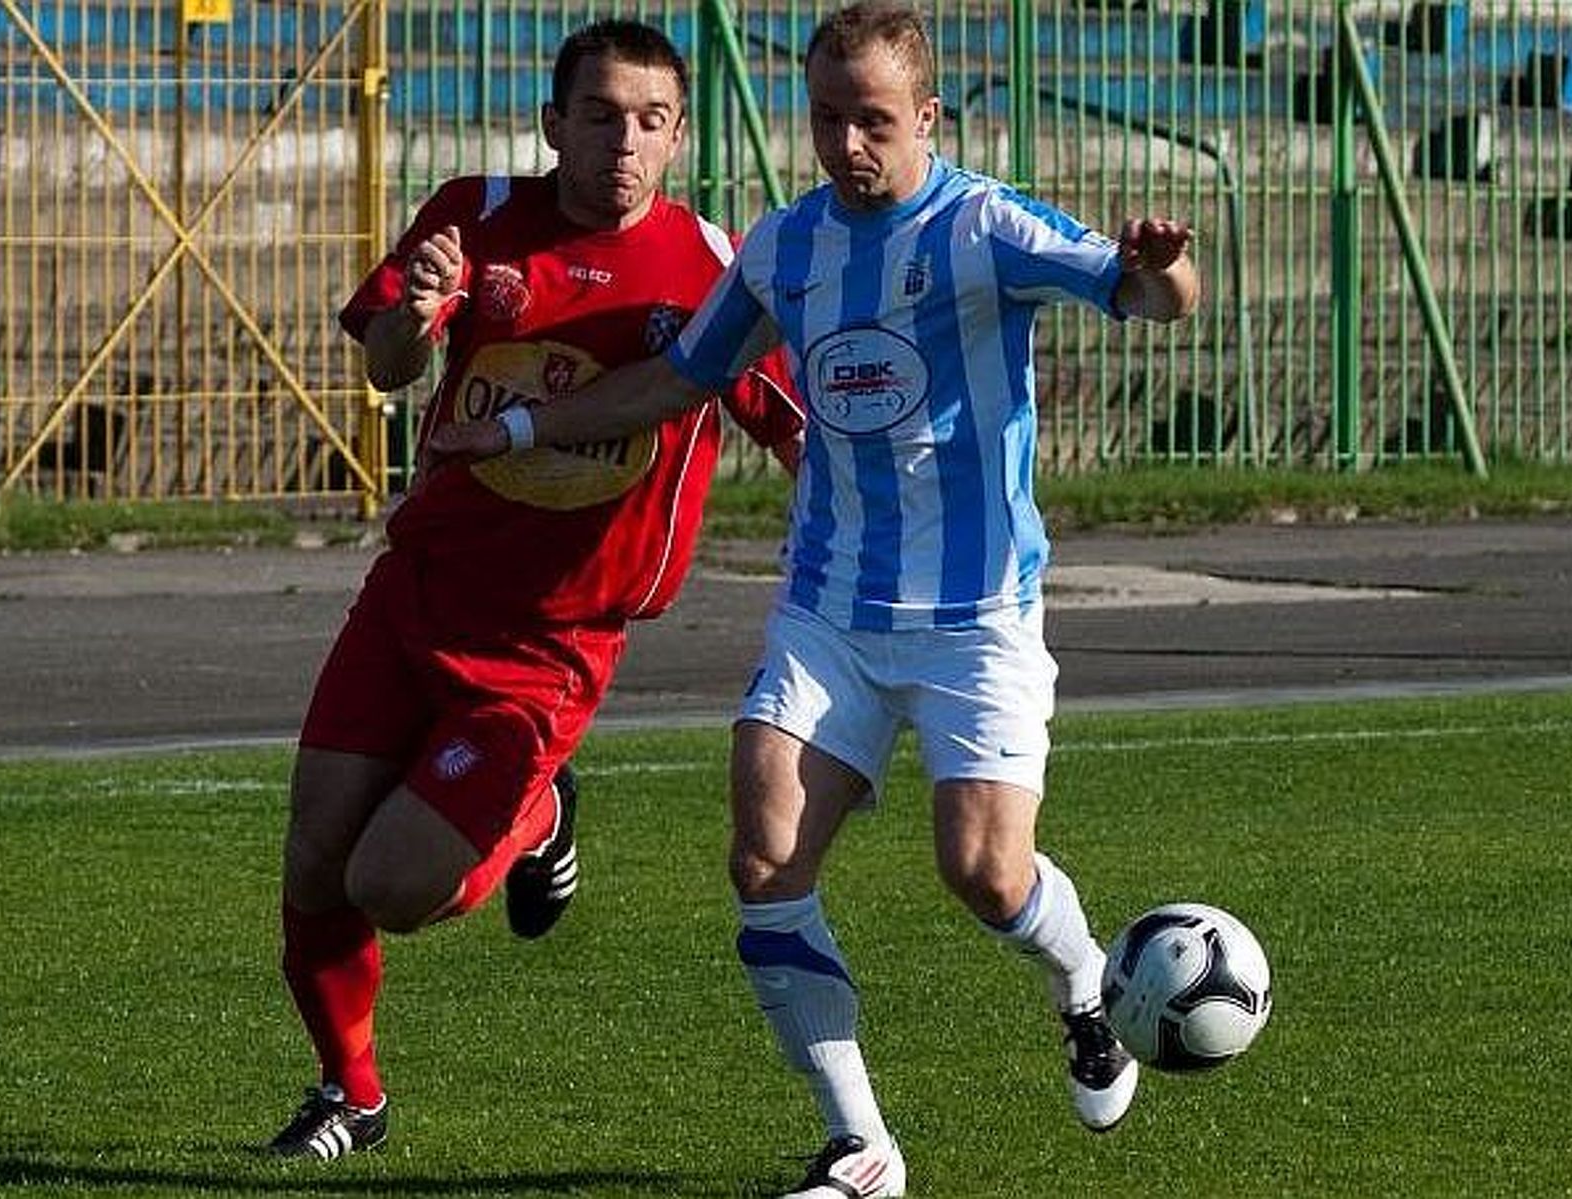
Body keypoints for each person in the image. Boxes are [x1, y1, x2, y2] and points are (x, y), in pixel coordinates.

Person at [431, 4, 1199, 1194]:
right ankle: (863, 1147)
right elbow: (673, 380)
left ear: (926, 119)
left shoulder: (985, 225)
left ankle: (1083, 985)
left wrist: (1159, 266)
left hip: (977, 615)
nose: (849, 144)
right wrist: (519, 424)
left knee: (986, 875)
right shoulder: (784, 248)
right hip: (829, 606)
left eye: (875, 121)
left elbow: (1154, 296)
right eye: (829, 118)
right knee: (764, 858)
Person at [268, 19, 800, 1161]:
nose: (624, 141)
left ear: (678, 135)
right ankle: (349, 1093)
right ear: (554, 123)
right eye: (601, 115)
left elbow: (805, 430)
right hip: (417, 587)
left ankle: (542, 808)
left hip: (551, 645)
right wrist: (414, 316)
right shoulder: (475, 212)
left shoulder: (717, 270)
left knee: (395, 887)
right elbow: (389, 367)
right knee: (315, 857)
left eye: (652, 119)